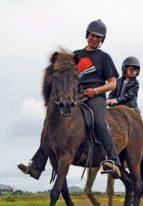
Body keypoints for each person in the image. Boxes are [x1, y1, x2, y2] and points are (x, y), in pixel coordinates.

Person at [18, 19, 122, 179]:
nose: (95, 39)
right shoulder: (76, 55)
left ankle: (114, 161)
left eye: (99, 37)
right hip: (77, 95)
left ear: (102, 40)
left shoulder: (104, 57)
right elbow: (61, 71)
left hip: (96, 96)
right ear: (87, 35)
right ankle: (37, 165)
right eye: (92, 36)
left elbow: (113, 84)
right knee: (54, 124)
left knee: (99, 122)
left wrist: (94, 91)